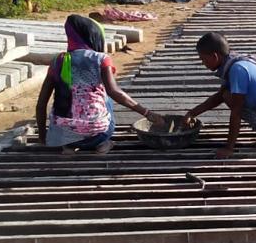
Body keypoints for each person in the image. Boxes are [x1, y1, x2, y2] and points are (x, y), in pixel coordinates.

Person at [36, 15, 163, 154]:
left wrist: (43, 138)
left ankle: (69, 147)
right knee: (105, 96)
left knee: (66, 98)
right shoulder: (100, 59)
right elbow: (115, 92)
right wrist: (147, 113)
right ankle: (102, 143)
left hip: (63, 136)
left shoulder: (57, 61)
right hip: (97, 133)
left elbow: (41, 104)